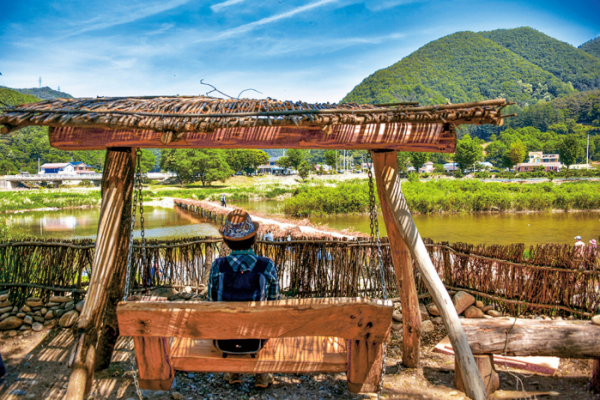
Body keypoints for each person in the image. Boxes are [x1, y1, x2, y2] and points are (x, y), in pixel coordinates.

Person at [207, 209, 279, 388]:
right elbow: (274, 304)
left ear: (226, 241)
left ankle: (233, 372)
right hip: (258, 337)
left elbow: (211, 303)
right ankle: (261, 374)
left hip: (225, 337)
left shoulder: (218, 266)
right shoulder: (266, 265)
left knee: (228, 320)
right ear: (254, 239)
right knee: (265, 320)